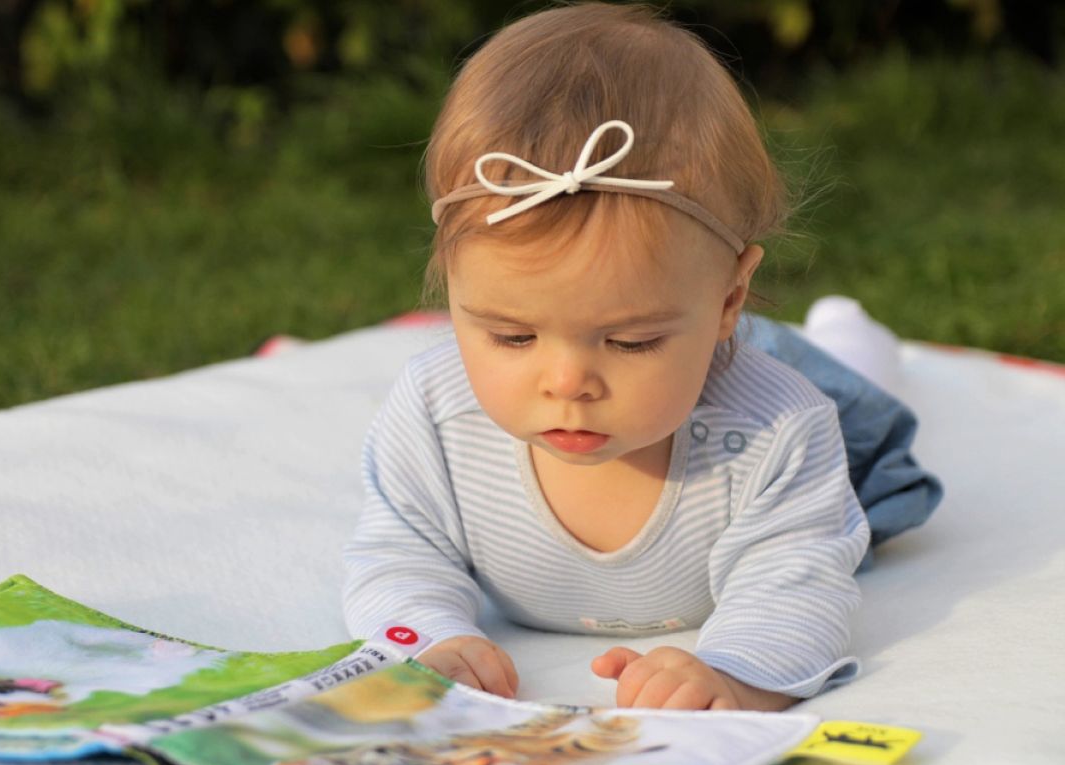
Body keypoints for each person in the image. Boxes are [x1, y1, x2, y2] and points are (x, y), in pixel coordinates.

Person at [342, 2, 940, 711]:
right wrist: (426, 641)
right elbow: (398, 549)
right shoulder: (438, 414)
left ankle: (854, 343)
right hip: (698, 363)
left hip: (741, 391)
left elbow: (796, 580)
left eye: (630, 341)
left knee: (852, 411)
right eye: (512, 336)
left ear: (728, 299)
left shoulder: (780, 429)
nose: (567, 383)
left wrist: (735, 674)